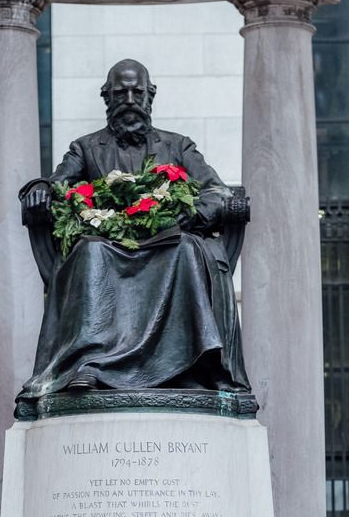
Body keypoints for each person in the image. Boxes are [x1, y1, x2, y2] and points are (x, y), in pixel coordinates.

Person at [16, 59, 250, 416]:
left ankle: (193, 363)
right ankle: (89, 364)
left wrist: (193, 213)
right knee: (90, 252)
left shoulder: (178, 145)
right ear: (106, 96)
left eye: (136, 91)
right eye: (120, 92)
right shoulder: (85, 147)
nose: (129, 99)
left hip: (167, 240)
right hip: (108, 242)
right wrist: (37, 190)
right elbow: (57, 182)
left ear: (150, 95)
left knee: (187, 250)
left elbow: (216, 190)